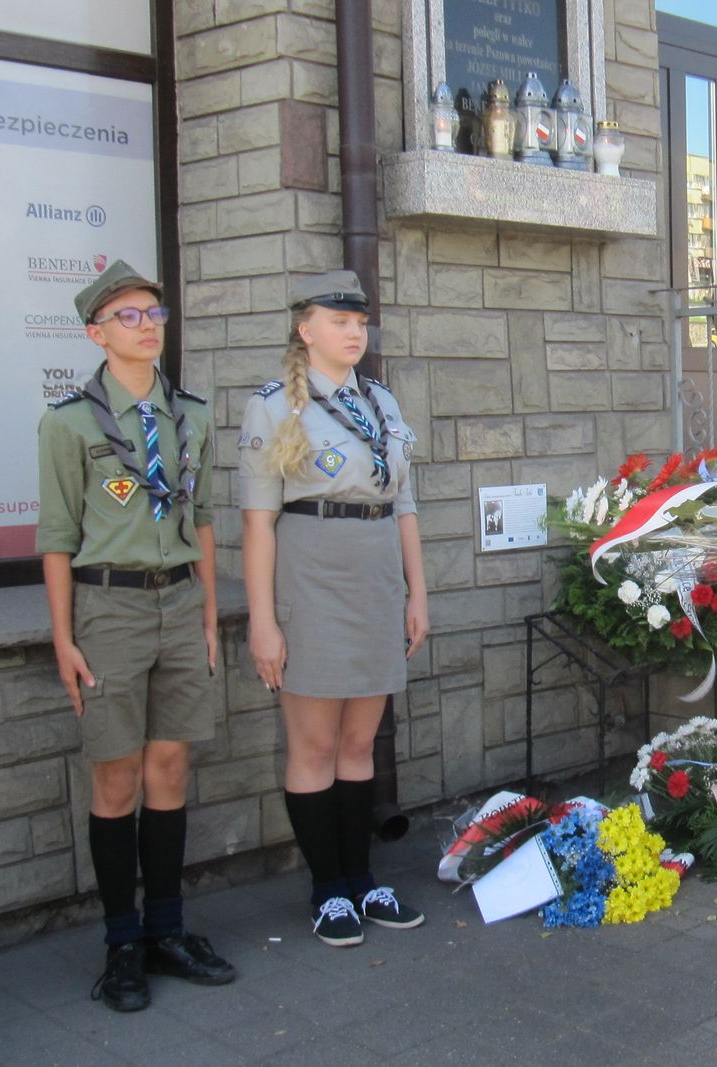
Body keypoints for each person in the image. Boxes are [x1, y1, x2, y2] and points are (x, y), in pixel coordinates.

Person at [36, 261, 236, 1011]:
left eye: (154, 313)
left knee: (169, 770)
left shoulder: (192, 416)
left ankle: (167, 931)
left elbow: (203, 518)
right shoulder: (69, 424)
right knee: (116, 778)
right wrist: (64, 638)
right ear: (97, 334)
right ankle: (122, 943)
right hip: (109, 609)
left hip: (180, 604)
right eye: (128, 315)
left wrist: (208, 614)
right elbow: (57, 538)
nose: (147, 326)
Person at [240, 271, 430, 946]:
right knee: (316, 744)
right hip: (311, 578)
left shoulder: (381, 400)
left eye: (360, 322)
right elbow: (258, 523)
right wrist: (263, 621)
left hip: (376, 579)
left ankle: (362, 879)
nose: (355, 332)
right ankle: (327, 890)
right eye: (339, 321)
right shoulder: (273, 406)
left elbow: (403, 503)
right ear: (306, 329)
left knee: (358, 744)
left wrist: (417, 592)